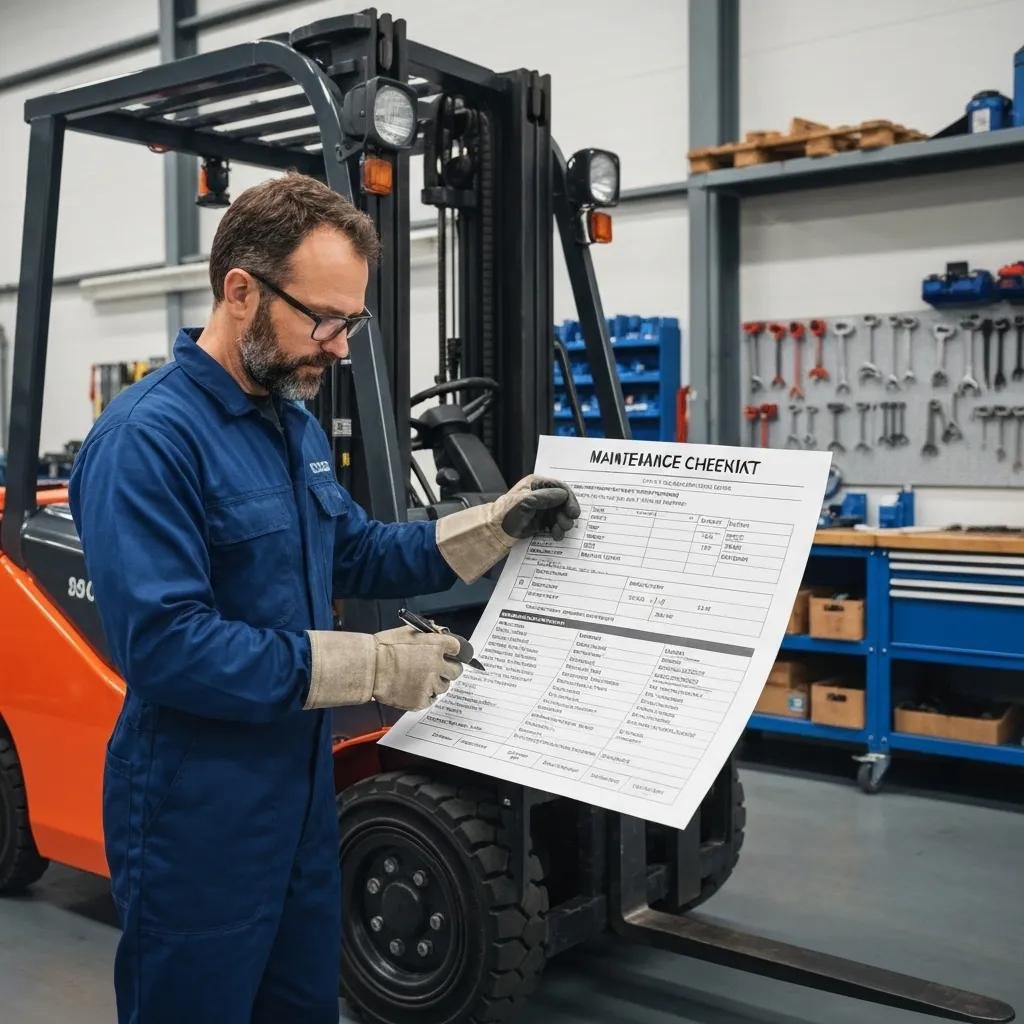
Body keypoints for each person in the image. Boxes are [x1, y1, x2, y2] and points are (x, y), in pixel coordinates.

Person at [68, 172, 580, 1024]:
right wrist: (376, 664)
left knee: (303, 1006)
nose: (340, 346)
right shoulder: (146, 440)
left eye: (353, 322)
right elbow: (166, 646)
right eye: (327, 320)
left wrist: (492, 524)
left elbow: (350, 549)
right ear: (240, 291)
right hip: (199, 808)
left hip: (302, 795)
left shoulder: (289, 418)